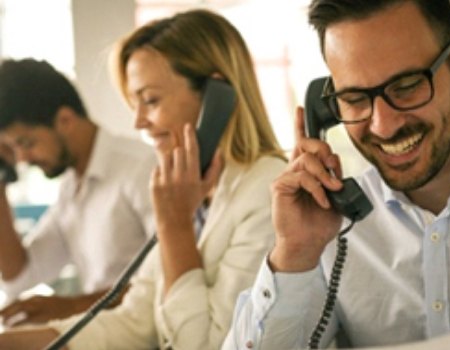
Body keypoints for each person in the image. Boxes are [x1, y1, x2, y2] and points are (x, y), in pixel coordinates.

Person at [0, 9, 287, 350]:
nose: (138, 123)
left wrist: (175, 226)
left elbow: (207, 344)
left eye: (150, 100)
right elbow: (135, 320)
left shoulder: (268, 192)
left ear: (217, 95)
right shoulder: (192, 192)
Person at [223, 0, 450, 349]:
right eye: (355, 99)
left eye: (406, 87)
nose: (383, 126)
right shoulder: (333, 225)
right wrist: (294, 254)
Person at [0, 59, 156, 326]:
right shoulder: (71, 188)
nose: (22, 159)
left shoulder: (141, 169)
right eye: (12, 148)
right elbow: (19, 276)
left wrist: (71, 307)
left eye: (26, 143)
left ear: (65, 120)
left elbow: (170, 281)